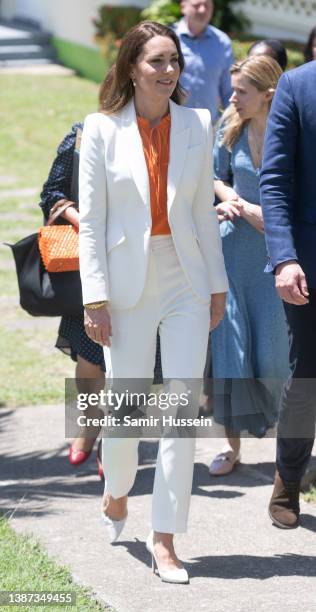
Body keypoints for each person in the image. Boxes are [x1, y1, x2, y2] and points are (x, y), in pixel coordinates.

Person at [79, 21, 228, 583]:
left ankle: (164, 537)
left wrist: (217, 286)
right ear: (131, 68)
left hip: (186, 277)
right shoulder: (100, 129)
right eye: (156, 62)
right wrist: (95, 297)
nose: (168, 72)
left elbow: (199, 216)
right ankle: (115, 489)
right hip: (124, 283)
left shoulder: (198, 122)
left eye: (174, 62)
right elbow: (91, 225)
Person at [208, 56, 289, 476]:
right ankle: (230, 446)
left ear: (268, 96)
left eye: (241, 91)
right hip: (232, 253)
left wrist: (263, 213)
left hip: (276, 257)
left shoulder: (291, 134)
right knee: (230, 353)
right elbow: (214, 176)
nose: (232, 96)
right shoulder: (229, 127)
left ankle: (290, 451)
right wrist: (231, 199)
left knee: (276, 357)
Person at [260, 60, 316, 529]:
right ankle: (288, 477)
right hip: (307, 264)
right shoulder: (299, 85)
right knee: (307, 377)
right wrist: (284, 257)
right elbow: (275, 181)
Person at [173, 0, 234, 123]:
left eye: (207, 5)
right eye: (197, 5)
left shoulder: (222, 42)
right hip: (171, 123)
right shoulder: (169, 38)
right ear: (183, 7)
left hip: (207, 128)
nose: (202, 10)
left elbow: (229, 92)